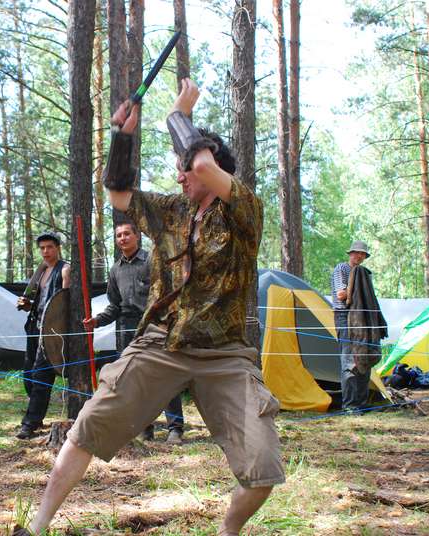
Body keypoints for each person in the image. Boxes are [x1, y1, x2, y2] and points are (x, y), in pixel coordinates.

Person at [14, 79, 283, 536]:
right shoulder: (173, 211)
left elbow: (201, 160)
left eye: (185, 170)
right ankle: (36, 527)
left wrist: (178, 115)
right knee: (87, 427)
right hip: (160, 344)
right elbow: (118, 193)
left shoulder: (244, 210)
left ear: (213, 171)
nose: (181, 177)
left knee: (262, 469)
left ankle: (227, 532)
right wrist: (122, 136)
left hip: (225, 355)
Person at [82, 222, 185, 444]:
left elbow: (168, 294)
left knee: (164, 376)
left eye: (127, 233)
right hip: (126, 330)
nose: (123, 238)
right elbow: (114, 306)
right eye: (118, 235)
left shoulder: (152, 261)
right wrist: (97, 321)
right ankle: (143, 428)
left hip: (155, 326)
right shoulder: (115, 270)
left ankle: (175, 429)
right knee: (133, 381)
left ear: (137, 236)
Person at [15, 231, 71, 439]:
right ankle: (36, 416)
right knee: (28, 375)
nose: (46, 251)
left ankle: (30, 423)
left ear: (58, 248)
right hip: (34, 327)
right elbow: (38, 303)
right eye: (42, 248)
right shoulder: (41, 271)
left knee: (41, 376)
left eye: (50, 247)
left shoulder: (64, 270)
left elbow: (64, 303)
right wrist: (26, 304)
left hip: (52, 332)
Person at [331, 240, 374, 410]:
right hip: (344, 316)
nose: (359, 256)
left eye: (362, 253)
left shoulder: (365, 273)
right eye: (356, 252)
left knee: (364, 359)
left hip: (362, 318)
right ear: (350, 254)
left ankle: (362, 404)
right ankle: (349, 406)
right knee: (349, 360)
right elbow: (341, 295)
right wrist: (359, 287)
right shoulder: (342, 268)